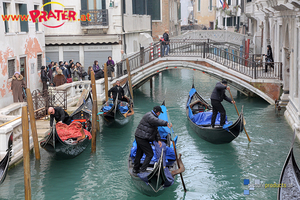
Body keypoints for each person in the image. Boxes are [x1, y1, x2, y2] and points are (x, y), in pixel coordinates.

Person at [133, 106, 172, 174]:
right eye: (160, 113)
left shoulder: (152, 116)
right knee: (150, 154)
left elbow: (155, 130)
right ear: (158, 112)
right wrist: (166, 123)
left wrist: (159, 140)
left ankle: (135, 169)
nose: (159, 114)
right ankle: (142, 170)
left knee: (139, 153)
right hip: (142, 138)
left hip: (140, 136)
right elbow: (157, 121)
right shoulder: (150, 116)